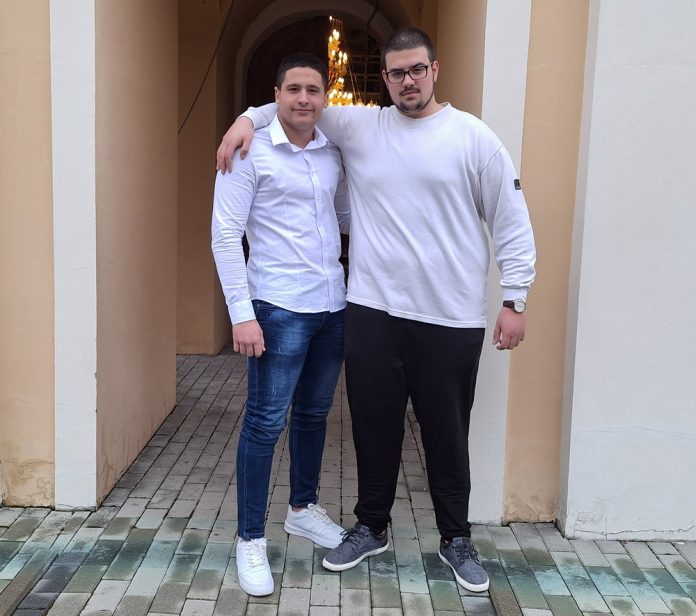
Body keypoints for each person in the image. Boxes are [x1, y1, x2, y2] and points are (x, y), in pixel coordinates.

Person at [217, 28, 536, 593]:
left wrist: (515, 297)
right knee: (372, 429)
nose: (407, 81)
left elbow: (510, 218)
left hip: (449, 317)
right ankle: (370, 526)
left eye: (417, 70)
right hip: (370, 312)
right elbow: (297, 105)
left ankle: (456, 539)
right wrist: (246, 117)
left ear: (435, 70)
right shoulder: (362, 126)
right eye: (396, 73)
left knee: (446, 433)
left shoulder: (474, 138)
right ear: (384, 79)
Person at [211, 52, 350, 597]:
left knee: (314, 415)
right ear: (276, 95)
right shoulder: (248, 150)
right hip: (276, 306)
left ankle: (302, 510)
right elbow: (225, 235)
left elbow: (344, 217)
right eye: (293, 89)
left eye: (313, 90)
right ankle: (249, 538)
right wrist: (241, 315)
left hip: (331, 306)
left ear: (325, 96)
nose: (303, 99)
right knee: (264, 424)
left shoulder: (332, 151)